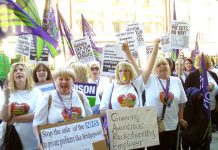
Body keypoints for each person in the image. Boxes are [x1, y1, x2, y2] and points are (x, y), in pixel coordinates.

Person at [33, 67, 93, 149]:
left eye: (67, 79)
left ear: (73, 82)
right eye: (60, 79)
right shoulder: (47, 98)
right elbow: (37, 124)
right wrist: (38, 144)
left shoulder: (81, 96)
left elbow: (90, 119)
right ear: (55, 81)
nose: (64, 82)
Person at [100, 39, 159, 112]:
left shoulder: (137, 85)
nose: (123, 73)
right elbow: (103, 110)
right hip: (117, 122)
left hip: (136, 122)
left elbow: (150, 67)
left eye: (126, 70)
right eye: (120, 71)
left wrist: (156, 45)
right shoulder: (110, 87)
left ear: (130, 72)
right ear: (117, 73)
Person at [144, 56, 188, 150]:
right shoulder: (150, 80)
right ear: (154, 69)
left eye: (164, 64)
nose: (162, 66)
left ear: (169, 66)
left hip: (172, 125)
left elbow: (181, 103)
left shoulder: (177, 81)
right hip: (154, 127)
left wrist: (181, 118)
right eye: (159, 65)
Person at [0, 62, 42, 150]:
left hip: (33, 142)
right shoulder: (8, 92)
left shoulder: (36, 91)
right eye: (15, 71)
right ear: (12, 76)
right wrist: (7, 97)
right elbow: (5, 118)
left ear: (26, 73)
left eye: (21, 69)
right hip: (12, 141)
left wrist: (15, 119)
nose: (18, 72)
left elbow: (38, 114)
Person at [185, 53, 218, 149]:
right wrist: (197, 93)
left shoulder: (213, 74)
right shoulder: (192, 75)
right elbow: (186, 90)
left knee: (208, 136)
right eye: (198, 60)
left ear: (207, 62)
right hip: (198, 111)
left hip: (211, 110)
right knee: (198, 137)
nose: (199, 62)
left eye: (201, 60)